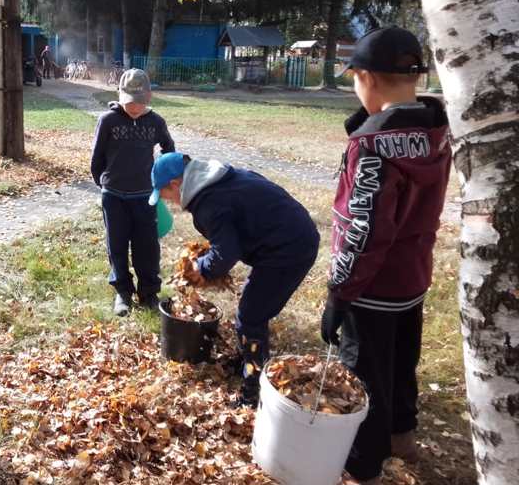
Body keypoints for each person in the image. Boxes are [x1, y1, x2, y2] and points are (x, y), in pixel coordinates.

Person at [320, 26, 452, 485]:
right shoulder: (436, 127)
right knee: (400, 361)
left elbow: (365, 230)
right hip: (412, 277)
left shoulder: (371, 147)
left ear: (367, 78)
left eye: (356, 79)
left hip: (371, 287)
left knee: (364, 376)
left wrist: (340, 294)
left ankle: (363, 465)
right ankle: (402, 434)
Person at [149, 152, 320, 405]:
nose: (170, 202)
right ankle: (248, 359)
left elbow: (226, 253)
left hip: (289, 249)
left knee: (250, 317)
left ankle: (253, 388)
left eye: (166, 196)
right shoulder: (217, 179)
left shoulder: (210, 202)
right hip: (288, 237)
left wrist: (201, 268)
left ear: (175, 184)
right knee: (252, 310)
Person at [90, 69, 175, 316]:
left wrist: (162, 176)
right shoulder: (108, 121)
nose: (134, 107)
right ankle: (123, 293)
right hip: (114, 195)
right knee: (116, 245)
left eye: (139, 102)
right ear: (120, 95)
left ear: (148, 97)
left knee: (147, 247)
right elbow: (96, 157)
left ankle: (148, 292)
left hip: (145, 196)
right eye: (129, 101)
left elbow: (169, 150)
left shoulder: (156, 122)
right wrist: (102, 183)